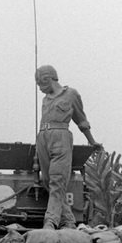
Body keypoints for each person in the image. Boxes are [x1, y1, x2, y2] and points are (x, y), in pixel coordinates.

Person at [35, 65, 102, 230]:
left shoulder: (71, 94)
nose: (39, 87)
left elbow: (81, 120)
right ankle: (69, 221)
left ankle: (50, 222)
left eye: (40, 82)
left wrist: (92, 141)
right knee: (47, 181)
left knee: (57, 180)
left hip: (61, 137)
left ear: (48, 78)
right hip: (43, 137)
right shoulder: (46, 99)